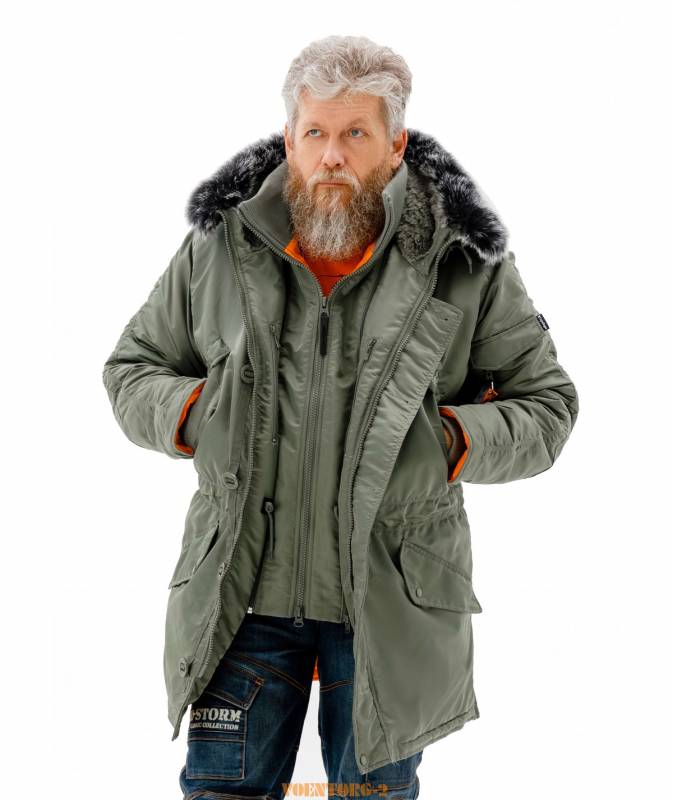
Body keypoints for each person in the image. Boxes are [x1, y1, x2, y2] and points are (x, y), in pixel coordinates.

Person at [102, 34, 579, 800]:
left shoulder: (462, 263)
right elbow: (133, 369)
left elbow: (547, 406)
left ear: (395, 146)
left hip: (386, 608)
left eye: (354, 133)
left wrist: (450, 442)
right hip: (241, 599)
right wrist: (194, 412)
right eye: (315, 132)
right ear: (289, 139)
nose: (331, 156)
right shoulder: (220, 248)